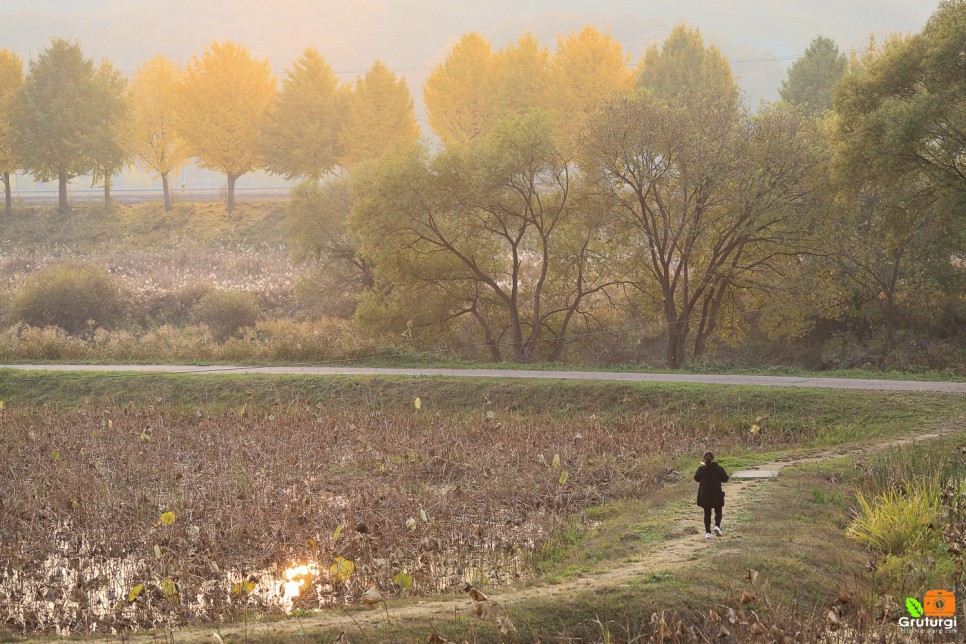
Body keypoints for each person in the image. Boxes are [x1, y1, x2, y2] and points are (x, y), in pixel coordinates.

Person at [694, 451, 729, 538]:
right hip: (717, 494)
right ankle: (717, 526)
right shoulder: (719, 468)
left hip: (705, 495)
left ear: (704, 459)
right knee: (718, 511)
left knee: (707, 513)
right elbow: (725, 479)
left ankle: (708, 533)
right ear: (713, 458)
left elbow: (696, 478)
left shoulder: (701, 469)